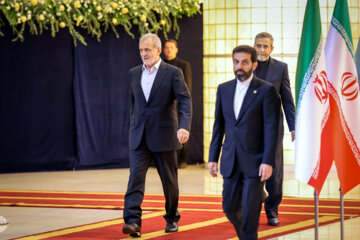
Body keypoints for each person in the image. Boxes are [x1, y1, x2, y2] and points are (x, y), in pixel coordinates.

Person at [122, 33, 192, 237]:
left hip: (165, 136)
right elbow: (134, 105)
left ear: (158, 50)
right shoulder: (133, 73)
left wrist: (184, 125)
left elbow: (185, 101)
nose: (144, 53)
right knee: (135, 179)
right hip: (139, 137)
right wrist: (133, 126)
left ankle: (172, 217)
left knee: (169, 182)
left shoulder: (173, 72)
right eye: (141, 50)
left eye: (148, 50)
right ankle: (133, 221)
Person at [208, 45, 280, 239]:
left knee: (249, 214)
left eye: (245, 62)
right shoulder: (224, 89)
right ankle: (255, 210)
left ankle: (249, 233)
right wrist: (213, 157)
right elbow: (219, 126)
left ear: (254, 65)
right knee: (229, 207)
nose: (239, 66)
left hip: (255, 162)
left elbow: (271, 130)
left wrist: (268, 161)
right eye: (236, 61)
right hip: (231, 159)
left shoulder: (266, 91)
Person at [253, 32, 295, 226]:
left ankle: (272, 208)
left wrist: (293, 126)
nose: (261, 50)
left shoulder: (281, 68)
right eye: (258, 46)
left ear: (272, 48)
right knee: (251, 169)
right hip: (250, 128)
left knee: (275, 173)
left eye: (265, 46)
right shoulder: (245, 65)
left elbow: (287, 99)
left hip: (273, 128)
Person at [163, 39, 192, 169]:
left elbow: (187, 85)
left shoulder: (183, 64)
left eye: (171, 47)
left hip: (179, 103)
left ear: (176, 50)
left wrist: (184, 102)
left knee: (181, 130)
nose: (168, 50)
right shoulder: (161, 64)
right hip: (165, 104)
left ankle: (182, 159)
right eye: (166, 47)